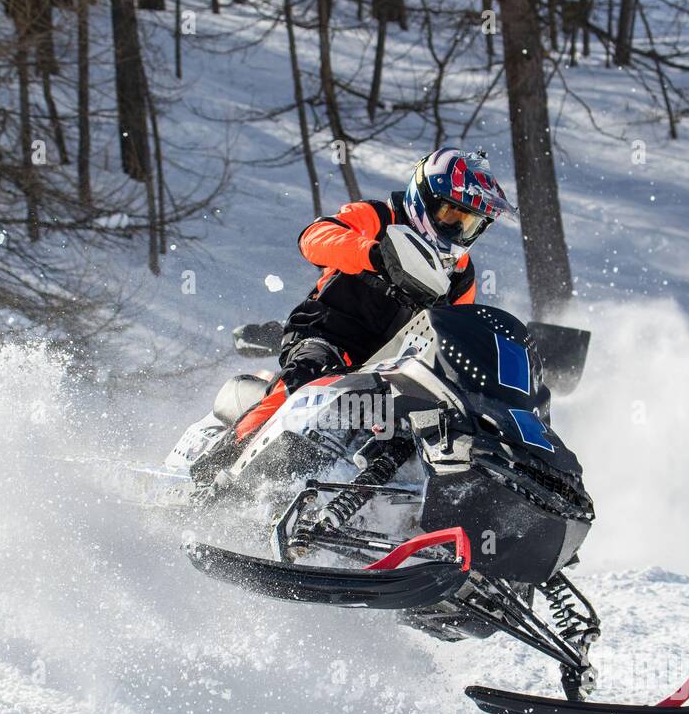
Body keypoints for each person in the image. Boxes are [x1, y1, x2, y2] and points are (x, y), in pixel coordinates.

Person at [195, 147, 515, 482]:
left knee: (427, 428)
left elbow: (457, 334)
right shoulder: (379, 217)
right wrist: (374, 255)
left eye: (470, 223)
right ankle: (218, 470)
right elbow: (313, 238)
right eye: (452, 215)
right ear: (426, 197)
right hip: (328, 334)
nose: (459, 230)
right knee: (307, 380)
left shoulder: (461, 273)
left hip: (394, 369)